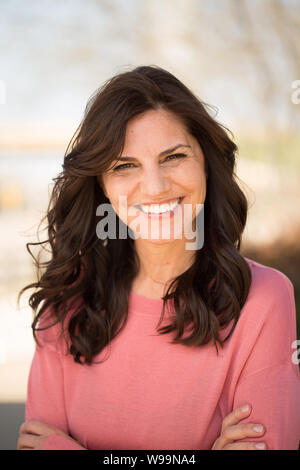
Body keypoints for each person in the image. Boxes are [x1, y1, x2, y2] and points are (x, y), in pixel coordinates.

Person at [17, 65, 300, 450]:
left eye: (173, 157)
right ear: (102, 185)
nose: (154, 186)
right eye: (124, 166)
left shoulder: (262, 298)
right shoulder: (66, 301)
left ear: (206, 163)